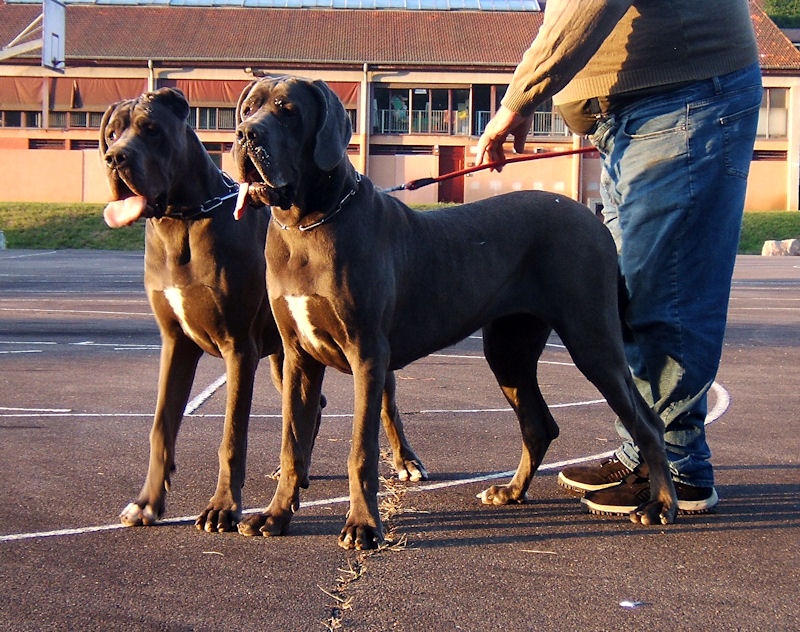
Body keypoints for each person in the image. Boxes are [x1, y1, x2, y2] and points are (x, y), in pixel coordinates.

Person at [476, 0, 762, 516]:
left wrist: (518, 100)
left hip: (683, 105)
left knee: (665, 297)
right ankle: (645, 450)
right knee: (632, 293)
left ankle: (674, 467)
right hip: (642, 117)